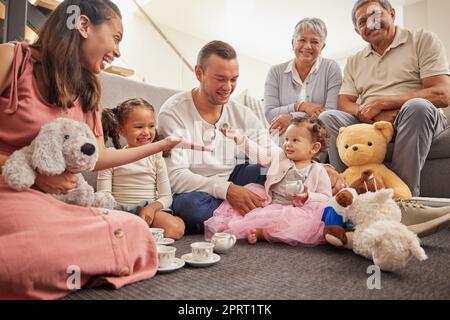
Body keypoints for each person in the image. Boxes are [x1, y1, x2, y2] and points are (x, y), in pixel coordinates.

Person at [0, 0, 184, 299]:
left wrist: (161, 146)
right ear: (83, 25)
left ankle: (56, 258)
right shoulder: (12, 58)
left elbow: (99, 158)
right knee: (36, 245)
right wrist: (33, 175)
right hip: (11, 189)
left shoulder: (88, 90)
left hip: (56, 201)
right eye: (116, 37)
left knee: (134, 229)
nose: (118, 51)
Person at [157, 40, 346, 235]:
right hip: (196, 188)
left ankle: (250, 211)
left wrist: (311, 167)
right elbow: (175, 177)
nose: (228, 87)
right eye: (220, 79)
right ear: (199, 73)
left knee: (275, 171)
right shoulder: (173, 112)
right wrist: (227, 190)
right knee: (189, 209)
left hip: (234, 175)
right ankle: (262, 212)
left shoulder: (242, 113)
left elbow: (272, 153)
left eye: (234, 79)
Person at [319, 0, 450, 197]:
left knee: (417, 107)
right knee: (329, 117)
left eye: (375, 15)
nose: (370, 24)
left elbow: (442, 93)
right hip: (372, 123)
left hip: (417, 117)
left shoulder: (422, 39)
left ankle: (402, 200)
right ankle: (347, 195)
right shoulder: (355, 61)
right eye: (362, 22)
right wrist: (367, 114)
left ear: (392, 14)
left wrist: (382, 103)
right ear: (357, 30)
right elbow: (344, 103)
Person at [205, 117, 332, 246]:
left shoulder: (318, 171)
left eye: (295, 140)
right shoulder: (280, 157)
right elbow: (259, 153)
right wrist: (241, 139)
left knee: (295, 223)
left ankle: (263, 233)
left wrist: (308, 196)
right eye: (287, 139)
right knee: (254, 207)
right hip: (272, 201)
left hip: (297, 209)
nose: (288, 144)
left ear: (314, 148)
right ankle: (232, 224)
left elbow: (326, 198)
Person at [98, 98, 185, 240]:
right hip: (120, 210)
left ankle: (137, 233)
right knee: (104, 231)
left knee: (175, 230)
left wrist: (152, 208)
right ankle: (142, 234)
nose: (146, 132)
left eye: (151, 126)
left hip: (149, 210)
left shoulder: (156, 157)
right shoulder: (111, 157)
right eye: (139, 127)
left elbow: (166, 196)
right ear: (121, 129)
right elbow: (103, 196)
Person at [264, 18, 342, 140]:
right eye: (302, 40)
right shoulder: (275, 71)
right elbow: (270, 114)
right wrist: (300, 106)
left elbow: (329, 113)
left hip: (316, 141)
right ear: (292, 43)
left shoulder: (331, 68)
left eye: (315, 42)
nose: (307, 46)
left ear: (322, 46)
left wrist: (292, 117)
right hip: (282, 141)